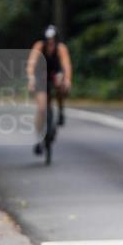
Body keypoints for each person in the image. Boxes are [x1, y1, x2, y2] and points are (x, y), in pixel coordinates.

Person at [26, 25, 72, 155]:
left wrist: (67, 79)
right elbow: (31, 63)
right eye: (48, 40)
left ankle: (61, 108)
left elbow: (66, 65)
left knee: (62, 84)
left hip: (55, 74)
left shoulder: (61, 49)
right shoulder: (39, 46)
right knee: (41, 109)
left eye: (53, 40)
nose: (50, 43)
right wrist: (31, 78)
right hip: (41, 75)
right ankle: (39, 139)